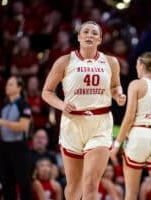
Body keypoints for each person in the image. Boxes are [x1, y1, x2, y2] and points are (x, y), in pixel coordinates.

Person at [42, 20, 126, 200]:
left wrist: (118, 94)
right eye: (85, 32)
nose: (90, 35)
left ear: (100, 39)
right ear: (79, 37)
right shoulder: (64, 61)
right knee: (74, 187)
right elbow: (46, 92)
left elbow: (115, 86)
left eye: (94, 33)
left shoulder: (111, 62)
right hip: (72, 124)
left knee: (90, 184)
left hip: (100, 123)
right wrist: (62, 105)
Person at [111, 52, 151, 200]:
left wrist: (117, 144)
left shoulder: (136, 84)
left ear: (142, 65)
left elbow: (129, 117)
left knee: (131, 192)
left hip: (140, 134)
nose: (136, 69)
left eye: (137, 66)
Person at [0, 75, 32, 200]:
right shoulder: (4, 105)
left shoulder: (24, 104)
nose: (7, 87)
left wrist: (1, 122)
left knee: (24, 183)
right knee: (7, 184)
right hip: (5, 147)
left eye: (10, 84)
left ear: (19, 87)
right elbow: (1, 129)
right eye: (7, 84)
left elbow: (23, 126)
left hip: (19, 147)